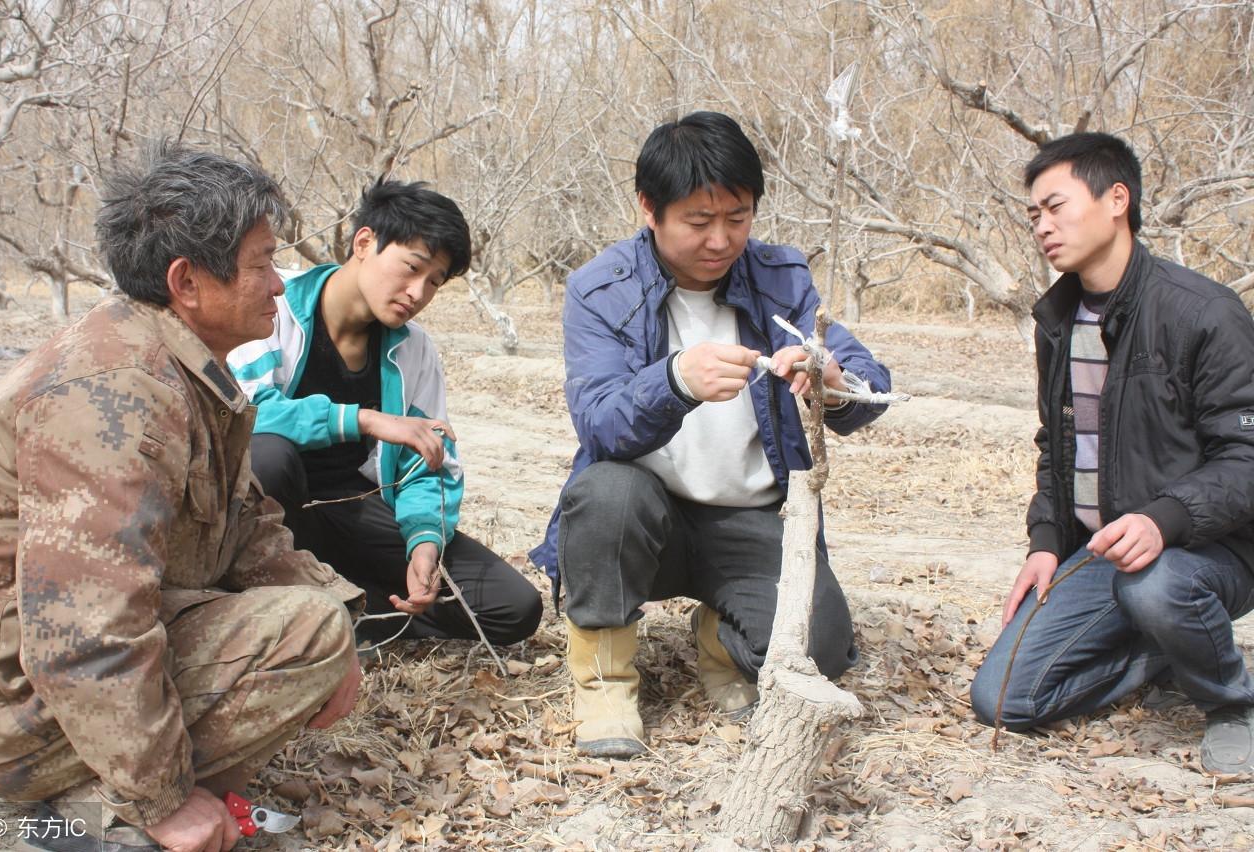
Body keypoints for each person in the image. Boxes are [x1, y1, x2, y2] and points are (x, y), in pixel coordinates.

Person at [0, 142, 364, 852]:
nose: (280, 285)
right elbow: (85, 629)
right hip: (10, 705)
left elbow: (249, 525)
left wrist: (342, 635)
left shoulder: (176, 363)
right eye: (261, 264)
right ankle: (85, 815)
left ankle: (95, 796)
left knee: (320, 627)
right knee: (305, 634)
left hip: (34, 671)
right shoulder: (113, 395)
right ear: (187, 281)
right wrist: (163, 798)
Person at [528, 111, 891, 758]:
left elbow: (868, 387)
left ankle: (720, 636)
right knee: (605, 492)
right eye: (698, 221)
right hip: (648, 511)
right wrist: (674, 381)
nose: (721, 240)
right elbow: (601, 422)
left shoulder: (782, 279)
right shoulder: (600, 290)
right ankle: (605, 680)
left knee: (823, 649)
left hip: (751, 514)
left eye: (738, 218)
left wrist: (831, 379)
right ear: (650, 208)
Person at [970, 132, 1254, 774]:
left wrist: (1164, 520)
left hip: (1211, 547)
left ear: (1116, 198)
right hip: (1107, 553)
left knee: (1156, 588)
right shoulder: (1060, 320)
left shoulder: (1203, 313)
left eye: (1056, 206)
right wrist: (1045, 541)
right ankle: (1161, 652)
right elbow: (1058, 445)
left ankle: (1231, 704)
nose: (1043, 226)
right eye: (1034, 214)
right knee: (1003, 701)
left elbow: (1247, 455)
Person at [227, 180, 542, 648]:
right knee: (270, 456)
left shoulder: (414, 350)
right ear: (364, 243)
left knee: (512, 607)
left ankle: (355, 615)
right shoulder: (273, 304)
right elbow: (247, 415)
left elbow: (428, 459)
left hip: (354, 508)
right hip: (274, 510)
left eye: (435, 281)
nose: (417, 292)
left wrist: (424, 544)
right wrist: (366, 419)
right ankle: (283, 608)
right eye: (412, 267)